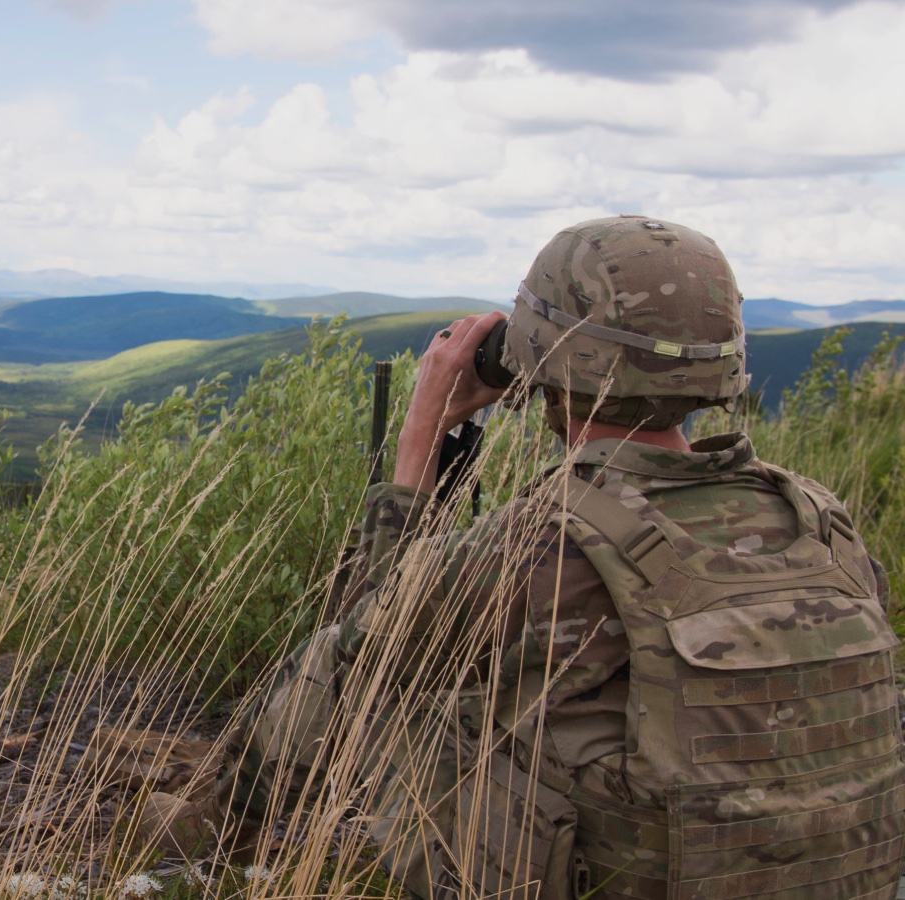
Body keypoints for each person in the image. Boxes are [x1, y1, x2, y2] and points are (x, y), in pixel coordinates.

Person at [142, 216, 905, 898]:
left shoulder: (536, 547)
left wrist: (421, 441)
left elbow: (359, 655)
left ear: (544, 358)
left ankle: (200, 844)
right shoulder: (816, 517)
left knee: (386, 679)